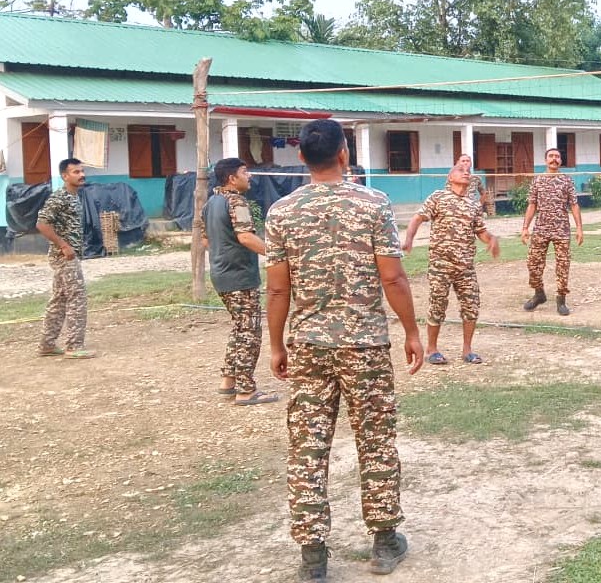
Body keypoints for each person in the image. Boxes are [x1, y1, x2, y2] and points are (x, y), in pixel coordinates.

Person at [265, 119, 424, 581]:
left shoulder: (281, 212)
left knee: (308, 448)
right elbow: (392, 277)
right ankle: (384, 544)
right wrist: (412, 331)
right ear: (343, 154)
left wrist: (276, 345)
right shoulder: (373, 203)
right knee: (374, 442)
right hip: (365, 345)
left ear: (302, 159)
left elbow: (277, 292)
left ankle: (313, 557)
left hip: (309, 345)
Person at [403, 163, 500, 365]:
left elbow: (480, 231)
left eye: (468, 171)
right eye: (460, 170)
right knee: (437, 306)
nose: (466, 172)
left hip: (465, 266)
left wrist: (491, 239)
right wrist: (409, 239)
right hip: (441, 264)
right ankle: (432, 349)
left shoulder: (473, 204)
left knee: (471, 306)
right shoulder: (438, 197)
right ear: (450, 177)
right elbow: (417, 218)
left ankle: (467, 350)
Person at [201, 158, 277, 406]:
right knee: (249, 332)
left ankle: (229, 381)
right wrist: (277, 254)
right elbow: (245, 237)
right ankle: (246, 390)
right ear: (232, 179)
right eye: (245, 172)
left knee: (239, 327)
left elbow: (206, 241)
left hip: (220, 273)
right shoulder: (235, 201)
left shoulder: (211, 203)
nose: (250, 176)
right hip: (239, 277)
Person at [35, 158, 95, 359]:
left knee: (59, 300)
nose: (81, 175)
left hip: (68, 255)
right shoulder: (59, 197)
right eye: (76, 172)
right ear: (65, 176)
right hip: (64, 257)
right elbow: (42, 224)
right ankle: (74, 346)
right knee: (77, 297)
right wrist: (64, 245)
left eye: (82, 171)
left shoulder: (74, 196)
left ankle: (47, 344)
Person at [521, 147, 584, 316]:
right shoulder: (538, 180)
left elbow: (574, 205)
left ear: (561, 161)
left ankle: (561, 299)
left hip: (561, 229)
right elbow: (532, 204)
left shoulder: (566, 180)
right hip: (541, 228)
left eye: (557, 156)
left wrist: (579, 228)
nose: (554, 159)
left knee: (563, 265)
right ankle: (539, 294)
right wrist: (525, 227)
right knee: (533, 264)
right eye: (551, 156)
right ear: (545, 160)